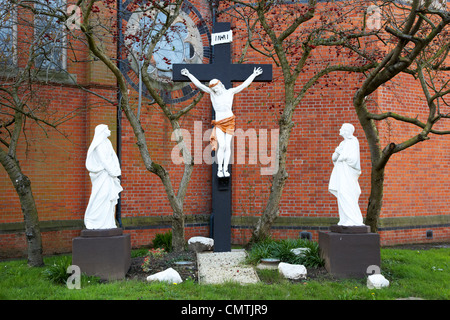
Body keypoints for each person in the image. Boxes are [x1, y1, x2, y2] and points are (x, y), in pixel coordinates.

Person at [181, 67, 263, 177]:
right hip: (219, 123)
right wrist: (188, 75)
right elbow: (200, 85)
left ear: (220, 85)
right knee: (222, 145)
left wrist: (254, 75)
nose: (216, 91)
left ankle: (225, 169)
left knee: (227, 146)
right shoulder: (212, 94)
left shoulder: (230, 92)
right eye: (214, 90)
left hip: (229, 121)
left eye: (217, 89)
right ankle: (219, 169)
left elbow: (243, 85)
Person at [84, 124, 123, 229]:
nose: (109, 131)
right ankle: (93, 220)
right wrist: (112, 171)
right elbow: (104, 160)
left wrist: (115, 170)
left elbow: (112, 157)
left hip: (109, 175)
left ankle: (108, 222)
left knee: (108, 198)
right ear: (102, 131)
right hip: (103, 175)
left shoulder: (107, 142)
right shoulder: (99, 144)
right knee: (101, 196)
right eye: (107, 129)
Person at [328, 123, 365, 226]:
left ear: (346, 131)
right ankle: (344, 219)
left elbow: (353, 159)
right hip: (341, 172)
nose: (340, 129)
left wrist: (342, 156)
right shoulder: (342, 143)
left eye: (342, 128)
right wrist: (337, 153)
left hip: (348, 173)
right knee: (341, 194)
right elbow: (334, 158)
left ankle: (353, 219)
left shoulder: (353, 142)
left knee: (346, 193)